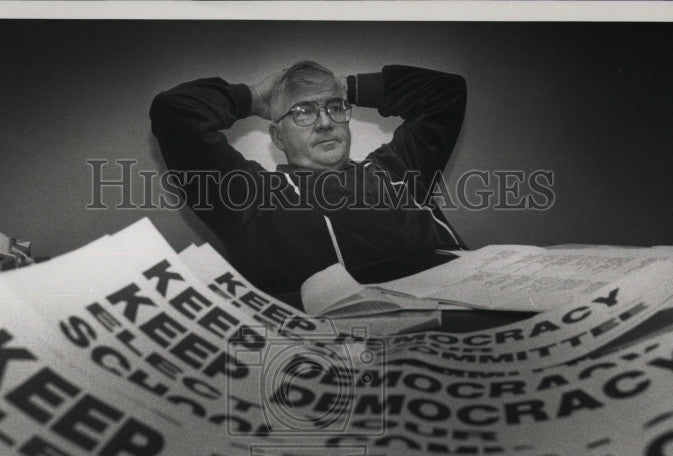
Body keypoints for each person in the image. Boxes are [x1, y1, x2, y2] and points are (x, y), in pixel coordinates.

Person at [150, 62, 467, 308]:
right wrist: (255, 96)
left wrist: (345, 87)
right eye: (304, 112)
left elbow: (444, 92)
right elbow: (175, 112)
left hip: (469, 313)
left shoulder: (398, 166)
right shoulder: (251, 196)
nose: (326, 121)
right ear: (277, 136)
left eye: (335, 107)